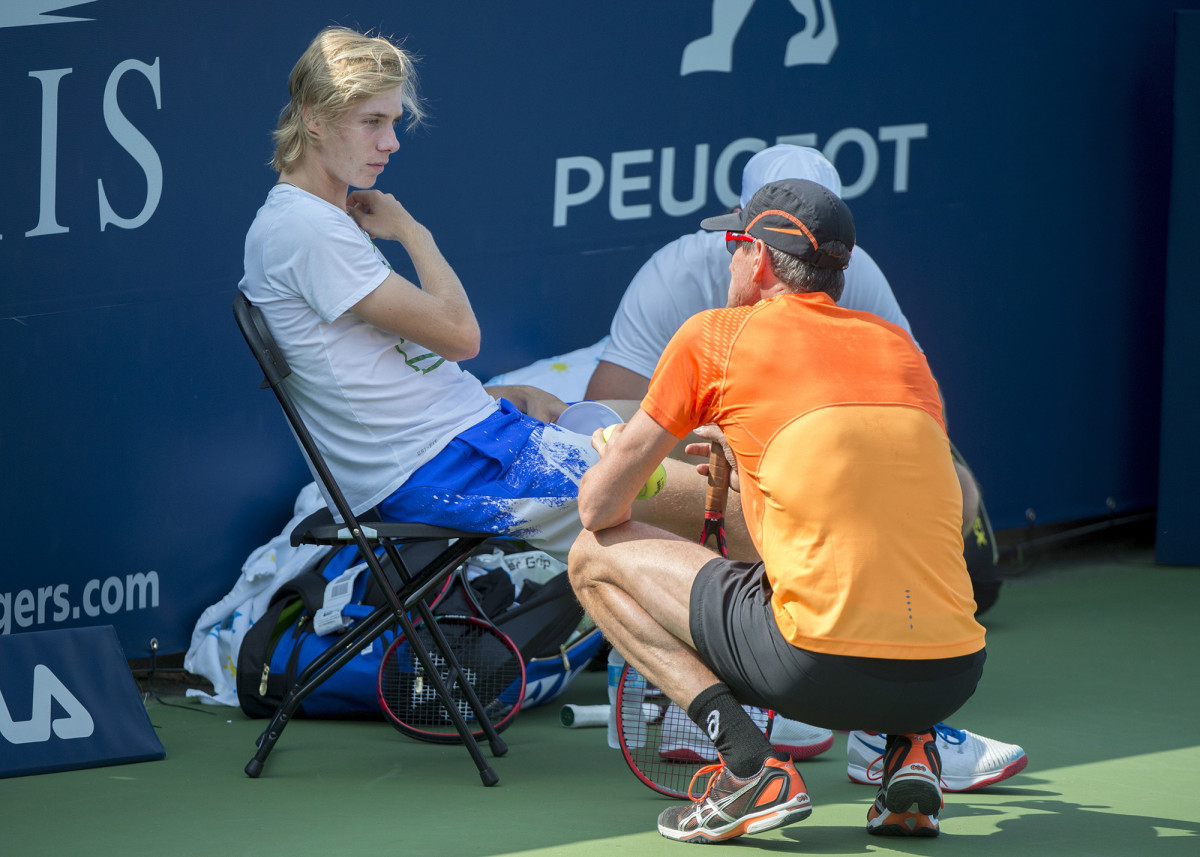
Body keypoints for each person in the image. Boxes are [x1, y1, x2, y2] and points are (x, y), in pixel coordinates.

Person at [238, 28, 763, 587]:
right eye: (372, 122)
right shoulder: (305, 228)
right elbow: (461, 336)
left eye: (393, 122)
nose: (391, 142)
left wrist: (485, 398)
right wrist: (411, 232)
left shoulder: (318, 221)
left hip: (472, 442)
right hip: (446, 467)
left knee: (702, 428)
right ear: (313, 118)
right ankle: (802, 651)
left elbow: (373, 371)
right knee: (728, 508)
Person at [583, 144, 1020, 790]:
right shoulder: (901, 349)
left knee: (592, 555)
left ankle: (749, 765)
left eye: (734, 241)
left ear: (755, 255)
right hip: (953, 674)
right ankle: (907, 747)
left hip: (808, 670)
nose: (726, 254)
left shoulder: (712, 336)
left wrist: (635, 467)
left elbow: (597, 506)